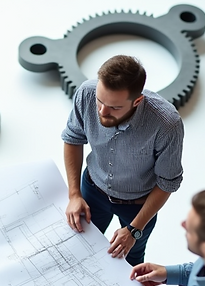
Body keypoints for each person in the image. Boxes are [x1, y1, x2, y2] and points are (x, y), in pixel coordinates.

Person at [62, 54, 184, 264]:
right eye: (100, 101)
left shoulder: (167, 125)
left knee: (131, 260)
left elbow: (167, 182)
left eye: (115, 107)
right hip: (92, 188)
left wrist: (134, 230)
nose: (102, 111)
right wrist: (74, 194)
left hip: (138, 205)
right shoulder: (86, 93)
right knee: (80, 248)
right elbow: (73, 139)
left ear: (137, 101)